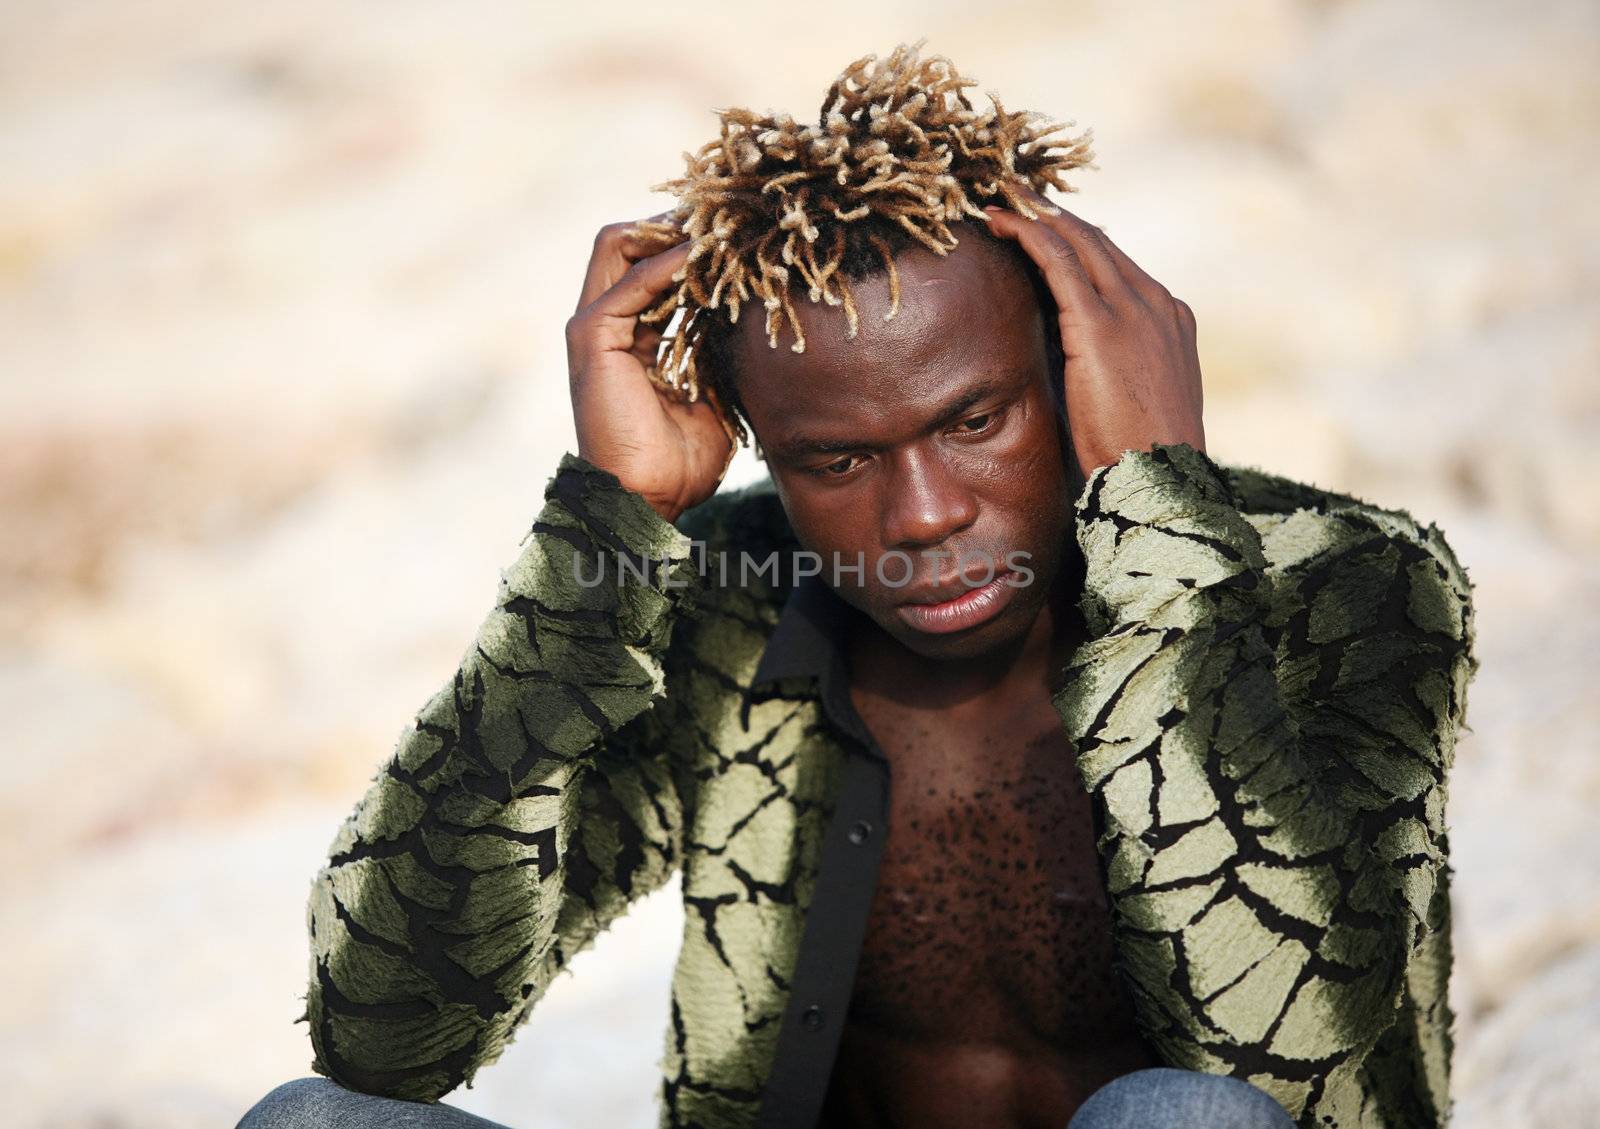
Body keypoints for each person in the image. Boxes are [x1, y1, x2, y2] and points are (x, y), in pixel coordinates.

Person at [237, 43, 1476, 1129]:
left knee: (1178, 1113)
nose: (924, 512)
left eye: (975, 418)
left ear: (1077, 358)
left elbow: (1306, 1064)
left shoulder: (1342, 584)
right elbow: (387, 1038)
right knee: (316, 1121)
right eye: (837, 460)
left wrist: (1159, 498)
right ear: (762, 446)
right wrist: (606, 532)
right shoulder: (720, 601)